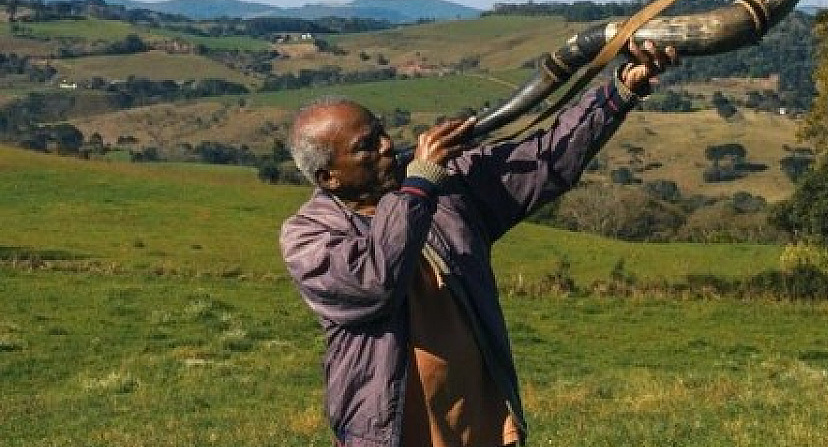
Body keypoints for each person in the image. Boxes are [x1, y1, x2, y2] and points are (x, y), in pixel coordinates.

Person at [280, 40, 677, 447]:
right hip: (387, 437)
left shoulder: (448, 188)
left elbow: (544, 160)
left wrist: (620, 92)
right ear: (328, 177)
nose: (386, 145)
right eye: (366, 146)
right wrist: (419, 185)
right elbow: (378, 281)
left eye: (380, 132)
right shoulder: (308, 237)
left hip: (482, 427)